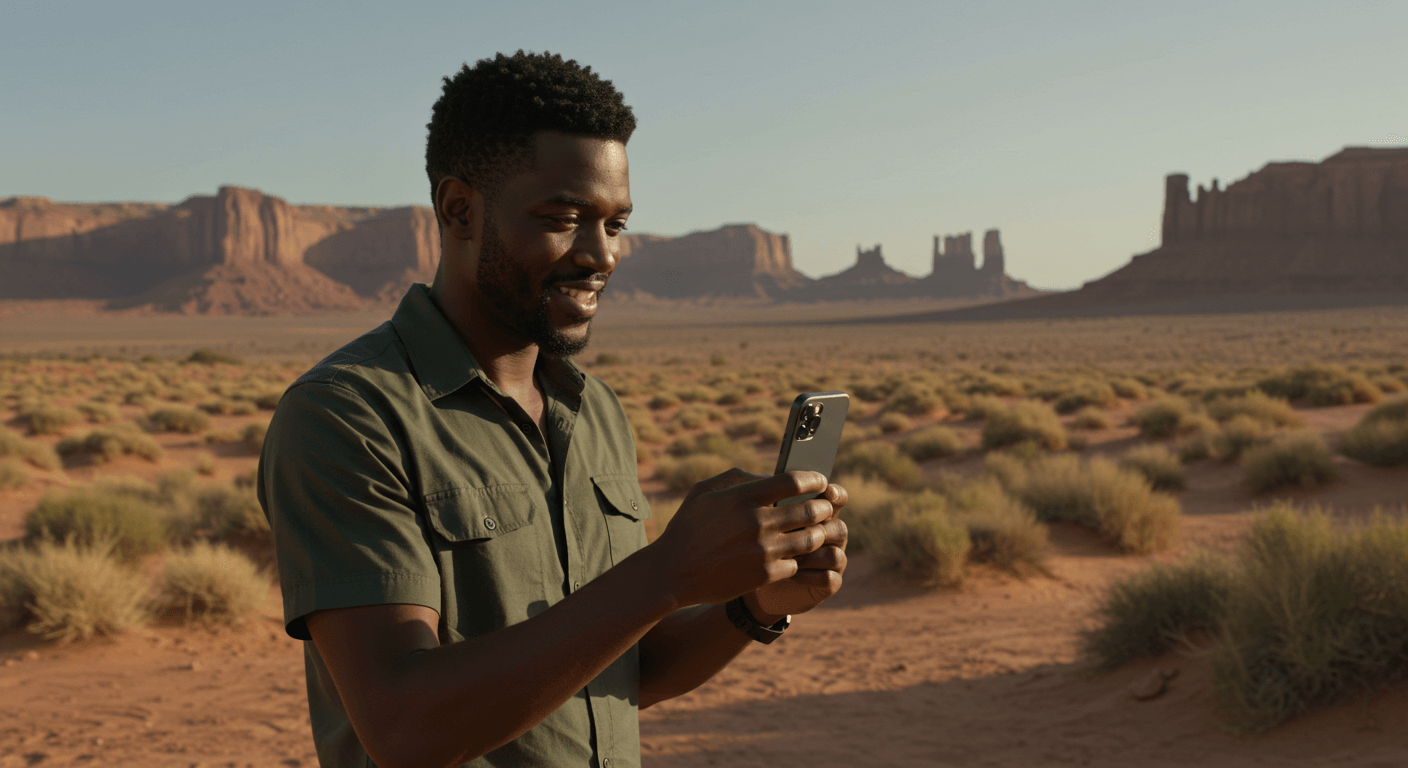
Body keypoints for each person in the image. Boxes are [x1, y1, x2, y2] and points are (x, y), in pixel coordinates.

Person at [258, 50, 849, 768]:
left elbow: (620, 673)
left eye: (616, 224)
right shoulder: (349, 416)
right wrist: (667, 572)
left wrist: (752, 607)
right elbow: (405, 724)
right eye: (565, 218)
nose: (601, 255)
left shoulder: (592, 410)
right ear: (458, 210)